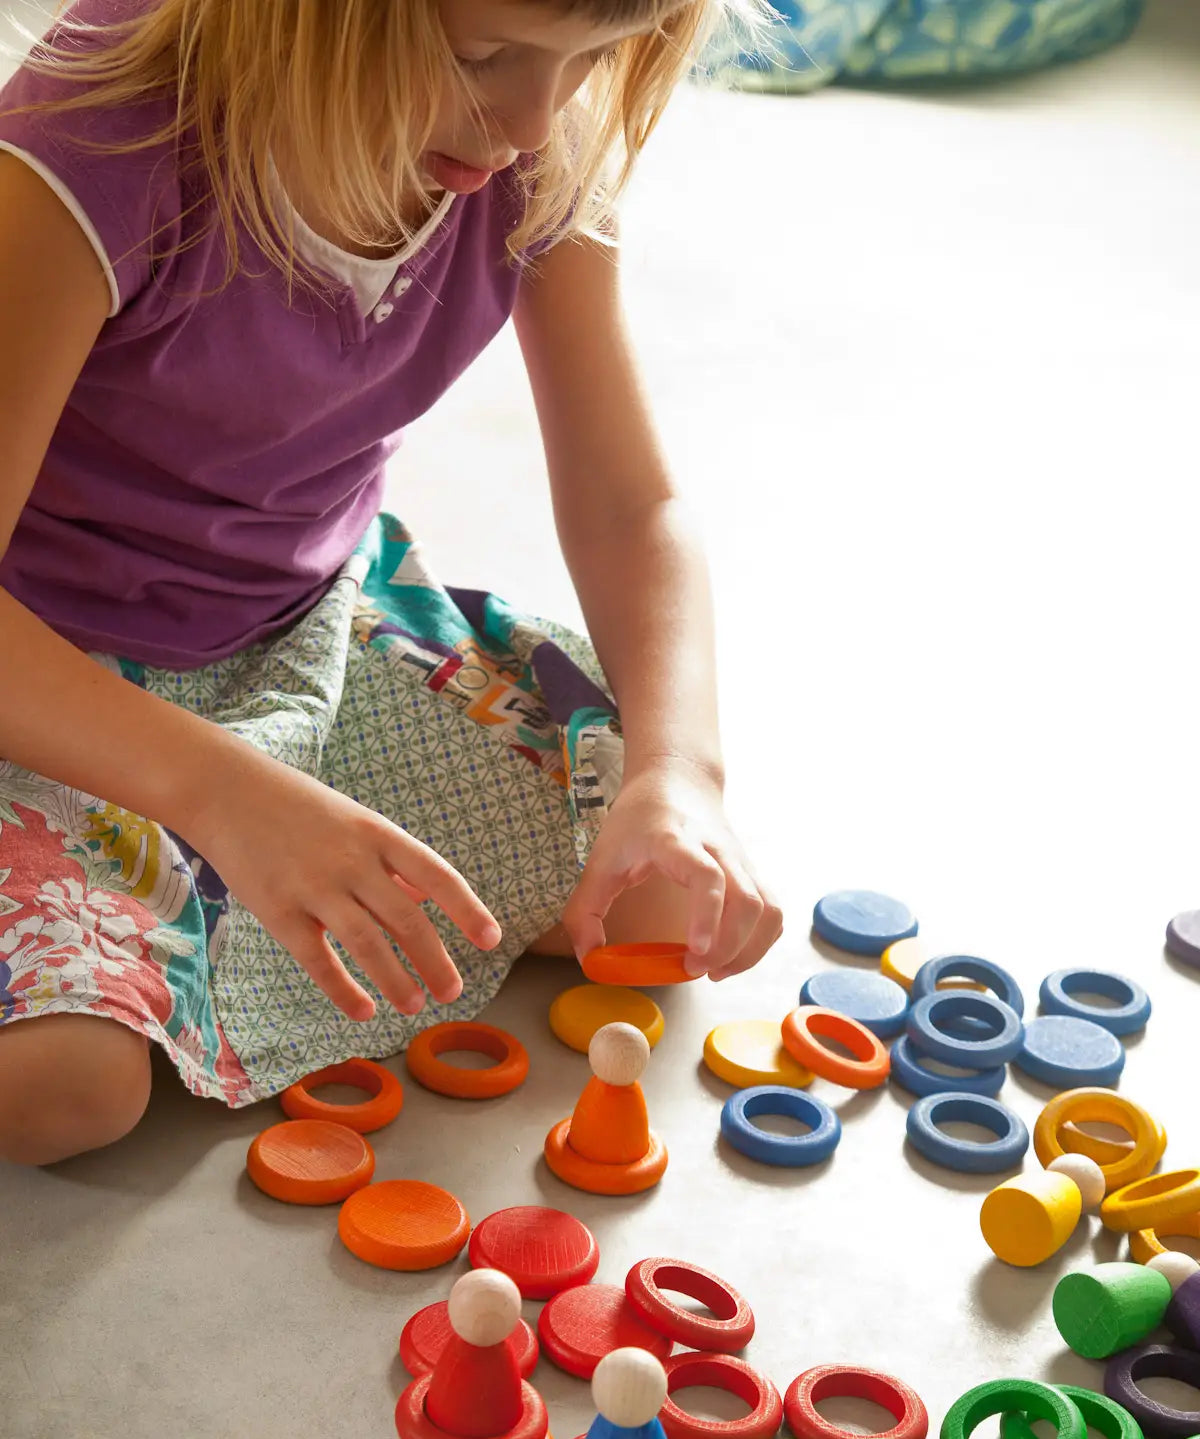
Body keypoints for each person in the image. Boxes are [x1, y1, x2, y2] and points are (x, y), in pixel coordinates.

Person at [0, 0, 782, 1167]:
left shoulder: (530, 144)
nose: (532, 120)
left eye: (594, 57)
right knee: (62, 1087)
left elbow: (633, 506)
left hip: (311, 627)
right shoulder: (91, 145)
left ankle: (207, 929)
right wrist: (228, 797)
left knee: (656, 898)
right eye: (481, 57)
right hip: (53, 685)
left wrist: (683, 770)